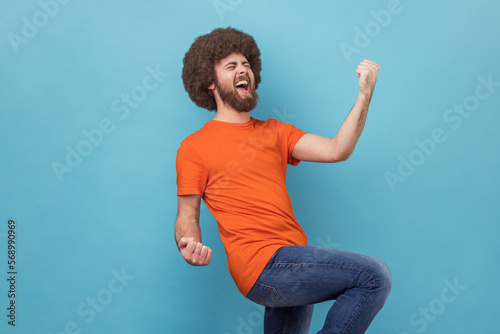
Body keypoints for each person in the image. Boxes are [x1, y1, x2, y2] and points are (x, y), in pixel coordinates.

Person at [175, 27, 391, 334]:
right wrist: (189, 244)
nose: (243, 70)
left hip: (293, 260)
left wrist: (364, 95)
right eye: (231, 66)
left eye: (247, 65)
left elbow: (337, 150)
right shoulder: (194, 147)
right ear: (209, 82)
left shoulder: (276, 132)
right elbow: (187, 217)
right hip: (263, 265)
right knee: (374, 277)